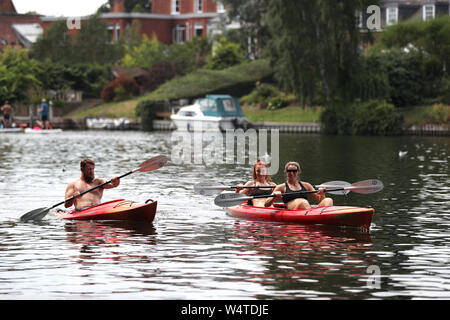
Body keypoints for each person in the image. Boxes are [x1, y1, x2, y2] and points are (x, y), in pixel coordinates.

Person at [265, 161, 333, 209]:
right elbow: (266, 204)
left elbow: (320, 200)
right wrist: (274, 197)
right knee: (303, 202)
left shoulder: (306, 185)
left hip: (306, 208)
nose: (291, 173)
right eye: (289, 171)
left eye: (294, 171)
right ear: (286, 172)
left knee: (328, 200)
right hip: (293, 209)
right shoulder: (281, 187)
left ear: (298, 172)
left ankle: (326, 218)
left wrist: (322, 194)